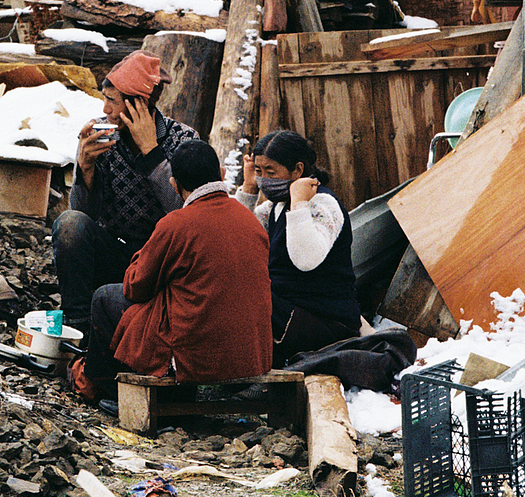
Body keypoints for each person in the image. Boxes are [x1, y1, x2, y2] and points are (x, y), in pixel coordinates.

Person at [80, 140, 273, 398]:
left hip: (198, 358)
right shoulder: (249, 219)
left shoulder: (177, 223)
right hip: (251, 356)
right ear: (221, 175)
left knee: (104, 298)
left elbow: (136, 286)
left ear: (174, 184)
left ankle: (106, 392)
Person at [53, 50, 198, 341]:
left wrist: (152, 154)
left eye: (111, 100)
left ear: (137, 105)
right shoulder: (105, 137)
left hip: (162, 262)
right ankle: (77, 325)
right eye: (104, 98)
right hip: (117, 252)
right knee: (69, 223)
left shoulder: (183, 140)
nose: (104, 108)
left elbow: (187, 215)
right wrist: (85, 167)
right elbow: (84, 217)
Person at [239, 130, 361, 365]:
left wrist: (300, 202)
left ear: (297, 170)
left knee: (247, 298)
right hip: (289, 314)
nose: (264, 179)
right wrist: (249, 189)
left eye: (270, 172)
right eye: (259, 171)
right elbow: (238, 242)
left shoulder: (323, 204)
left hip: (325, 322)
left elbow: (305, 259)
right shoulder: (273, 208)